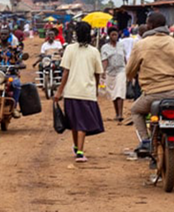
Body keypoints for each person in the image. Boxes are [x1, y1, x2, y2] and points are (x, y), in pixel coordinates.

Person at [125, 12, 174, 155]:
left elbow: (129, 71)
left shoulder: (141, 45)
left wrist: (134, 75)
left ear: (149, 26)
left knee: (136, 111)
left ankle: (145, 140)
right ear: (165, 26)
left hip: (150, 95)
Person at [53, 21, 104, 162]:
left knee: (75, 122)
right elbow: (97, 73)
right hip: (87, 92)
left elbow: (65, 72)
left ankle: (77, 147)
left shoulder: (70, 49)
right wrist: (96, 89)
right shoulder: (94, 52)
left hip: (71, 91)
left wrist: (59, 91)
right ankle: (80, 152)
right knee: (82, 124)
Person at [101, 28, 127, 122]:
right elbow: (104, 60)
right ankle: (117, 113)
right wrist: (103, 71)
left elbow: (124, 58)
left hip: (121, 70)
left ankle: (120, 114)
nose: (114, 36)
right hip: (110, 72)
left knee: (120, 91)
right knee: (113, 93)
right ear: (109, 36)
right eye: (112, 35)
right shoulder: (105, 47)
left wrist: (128, 69)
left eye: (116, 34)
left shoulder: (121, 46)